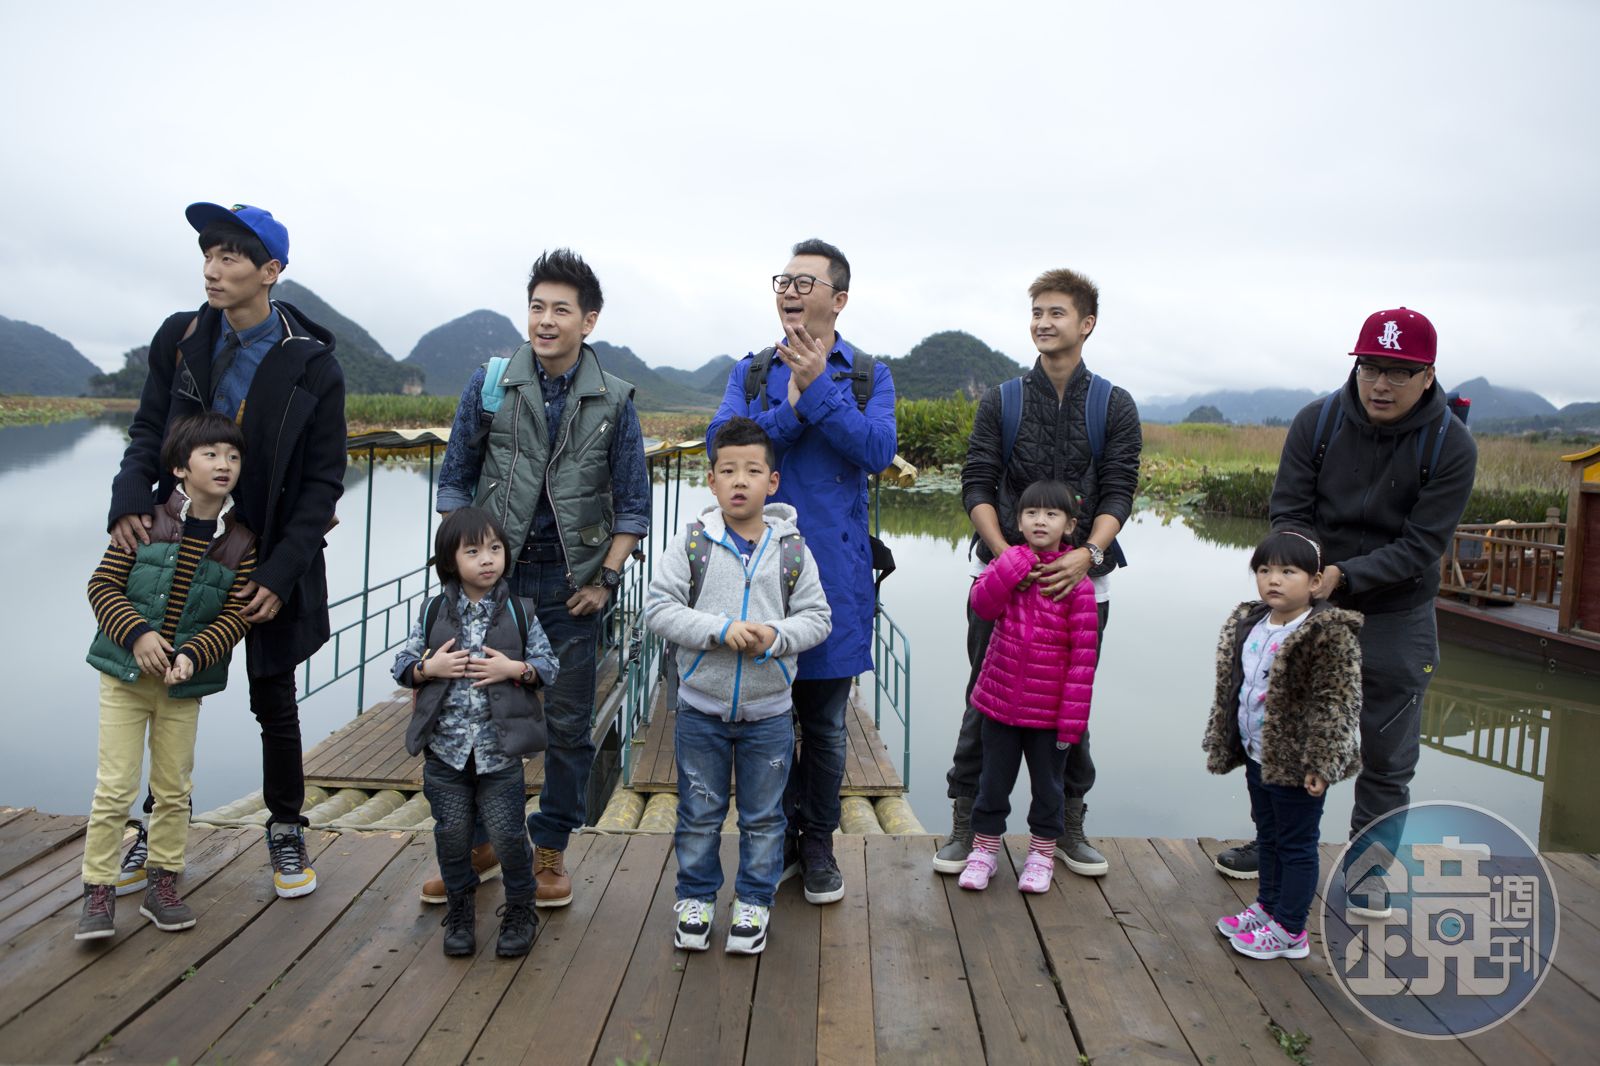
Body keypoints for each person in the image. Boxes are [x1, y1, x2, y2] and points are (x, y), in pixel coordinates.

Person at [107, 203, 344, 900]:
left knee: (272, 693)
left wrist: (282, 569)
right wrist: (129, 499)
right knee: (165, 686)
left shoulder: (312, 364)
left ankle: (286, 825)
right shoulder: (183, 338)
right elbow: (149, 429)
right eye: (208, 255)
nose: (212, 269)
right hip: (183, 538)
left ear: (270, 271)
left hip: (267, 548)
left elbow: (323, 482)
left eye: (230, 257)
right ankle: (157, 827)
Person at [1212, 308, 1477, 891]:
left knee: (1387, 757)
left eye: (1399, 372)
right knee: (1285, 737)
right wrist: (1304, 574)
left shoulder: (1450, 444)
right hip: (1313, 606)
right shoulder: (1318, 421)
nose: (1381, 384)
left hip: (1397, 613)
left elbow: (1422, 545)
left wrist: (1344, 576)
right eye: (1370, 368)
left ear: (1428, 376)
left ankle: (1368, 873)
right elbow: (1289, 510)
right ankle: (1276, 848)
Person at [431, 249, 650, 909]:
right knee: (473, 713)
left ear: (589, 320)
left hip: (571, 585)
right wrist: (465, 568)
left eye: (560, 309)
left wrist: (605, 579)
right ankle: (478, 846)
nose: (545, 321)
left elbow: (632, 504)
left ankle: (549, 846)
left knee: (568, 724)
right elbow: (455, 480)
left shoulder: (614, 400)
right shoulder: (492, 385)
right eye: (536, 307)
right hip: (494, 583)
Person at [706, 239, 896, 905]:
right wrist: (788, 409)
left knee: (823, 724)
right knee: (765, 720)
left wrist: (819, 390)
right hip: (755, 573)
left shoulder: (868, 375)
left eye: (804, 282)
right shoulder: (752, 371)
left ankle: (817, 842)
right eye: (783, 280)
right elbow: (724, 446)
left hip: (835, 578)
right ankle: (772, 838)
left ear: (838, 300)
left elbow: (877, 450)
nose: (789, 290)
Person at [934, 269, 1141, 879]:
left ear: (1087, 323)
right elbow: (977, 482)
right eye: (1037, 313)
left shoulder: (1113, 404)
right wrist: (1006, 555)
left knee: (1070, 698)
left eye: (1056, 313)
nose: (1043, 323)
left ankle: (1066, 825)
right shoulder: (1003, 400)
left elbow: (1119, 489)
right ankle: (968, 822)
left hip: (1082, 583)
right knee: (985, 695)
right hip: (1002, 580)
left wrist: (1087, 554)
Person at [645, 418, 832, 954]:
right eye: (728, 471)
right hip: (699, 710)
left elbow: (818, 619)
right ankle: (696, 898)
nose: (739, 481)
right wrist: (719, 629)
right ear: (712, 481)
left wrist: (776, 636)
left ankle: (754, 901)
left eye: (752, 471)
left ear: (772, 482)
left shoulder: (792, 551)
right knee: (698, 813)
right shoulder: (692, 544)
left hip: (769, 713)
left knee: (764, 817)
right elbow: (659, 609)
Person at [78, 414, 258, 939]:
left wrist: (195, 655)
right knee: (115, 788)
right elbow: (101, 586)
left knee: (174, 788)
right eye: (211, 454)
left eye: (233, 456)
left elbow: (236, 616)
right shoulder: (145, 522)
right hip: (125, 678)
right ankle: (98, 890)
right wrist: (137, 635)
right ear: (180, 467)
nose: (224, 464)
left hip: (182, 686)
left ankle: (162, 882)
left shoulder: (241, 542)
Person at [392, 508, 559, 958]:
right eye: (473, 551)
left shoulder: (520, 612)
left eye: (495, 549)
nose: (487, 559)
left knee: (507, 836)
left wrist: (515, 669)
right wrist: (429, 668)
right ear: (450, 561)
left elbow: (548, 666)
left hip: (499, 753)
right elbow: (402, 664)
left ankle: (520, 907)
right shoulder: (433, 611)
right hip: (445, 753)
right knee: (452, 835)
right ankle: (461, 908)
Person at [1202, 529, 1364, 959]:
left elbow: (1337, 701)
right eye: (1264, 570)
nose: (1273, 580)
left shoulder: (1326, 633)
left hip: (1298, 762)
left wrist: (1321, 763)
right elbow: (1237, 687)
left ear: (1315, 581)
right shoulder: (1251, 623)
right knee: (1268, 836)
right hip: (1259, 753)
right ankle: (1268, 908)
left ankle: (1291, 929)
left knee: (1296, 844)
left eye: (1288, 571)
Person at [957, 481, 1100, 893]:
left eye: (1051, 514)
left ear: (1069, 526)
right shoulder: (1007, 567)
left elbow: (1082, 661)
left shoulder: (1078, 586)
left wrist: (1071, 723)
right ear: (1018, 521)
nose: (1040, 521)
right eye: (1031, 513)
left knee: (1048, 790)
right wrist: (1008, 569)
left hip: (1049, 716)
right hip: (999, 706)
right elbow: (983, 606)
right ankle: (984, 850)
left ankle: (1041, 855)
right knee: (992, 784)